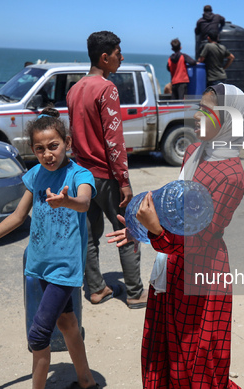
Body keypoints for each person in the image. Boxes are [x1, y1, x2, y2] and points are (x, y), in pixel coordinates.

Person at [107, 84, 244, 388]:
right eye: (199, 107)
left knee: (195, 361)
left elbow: (200, 239)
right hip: (173, 264)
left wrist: (156, 231)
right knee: (163, 351)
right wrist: (139, 228)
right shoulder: (195, 151)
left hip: (201, 275)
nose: (196, 115)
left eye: (207, 111)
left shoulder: (231, 176)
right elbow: (171, 207)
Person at [0, 108, 99, 389]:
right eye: (40, 148)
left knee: (38, 336)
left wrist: (66, 202)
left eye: (54, 146)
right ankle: (88, 383)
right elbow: (17, 217)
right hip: (39, 265)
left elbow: (84, 202)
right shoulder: (35, 175)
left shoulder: (80, 174)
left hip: (63, 268)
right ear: (33, 150)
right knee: (67, 324)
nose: (48, 154)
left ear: (67, 143)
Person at [67, 31, 147, 309]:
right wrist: (124, 180)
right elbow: (114, 141)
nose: (121, 58)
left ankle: (96, 289)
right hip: (106, 176)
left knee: (88, 235)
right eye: (117, 53)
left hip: (81, 175)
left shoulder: (74, 90)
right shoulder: (107, 88)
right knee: (127, 231)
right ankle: (136, 293)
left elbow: (74, 136)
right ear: (104, 57)